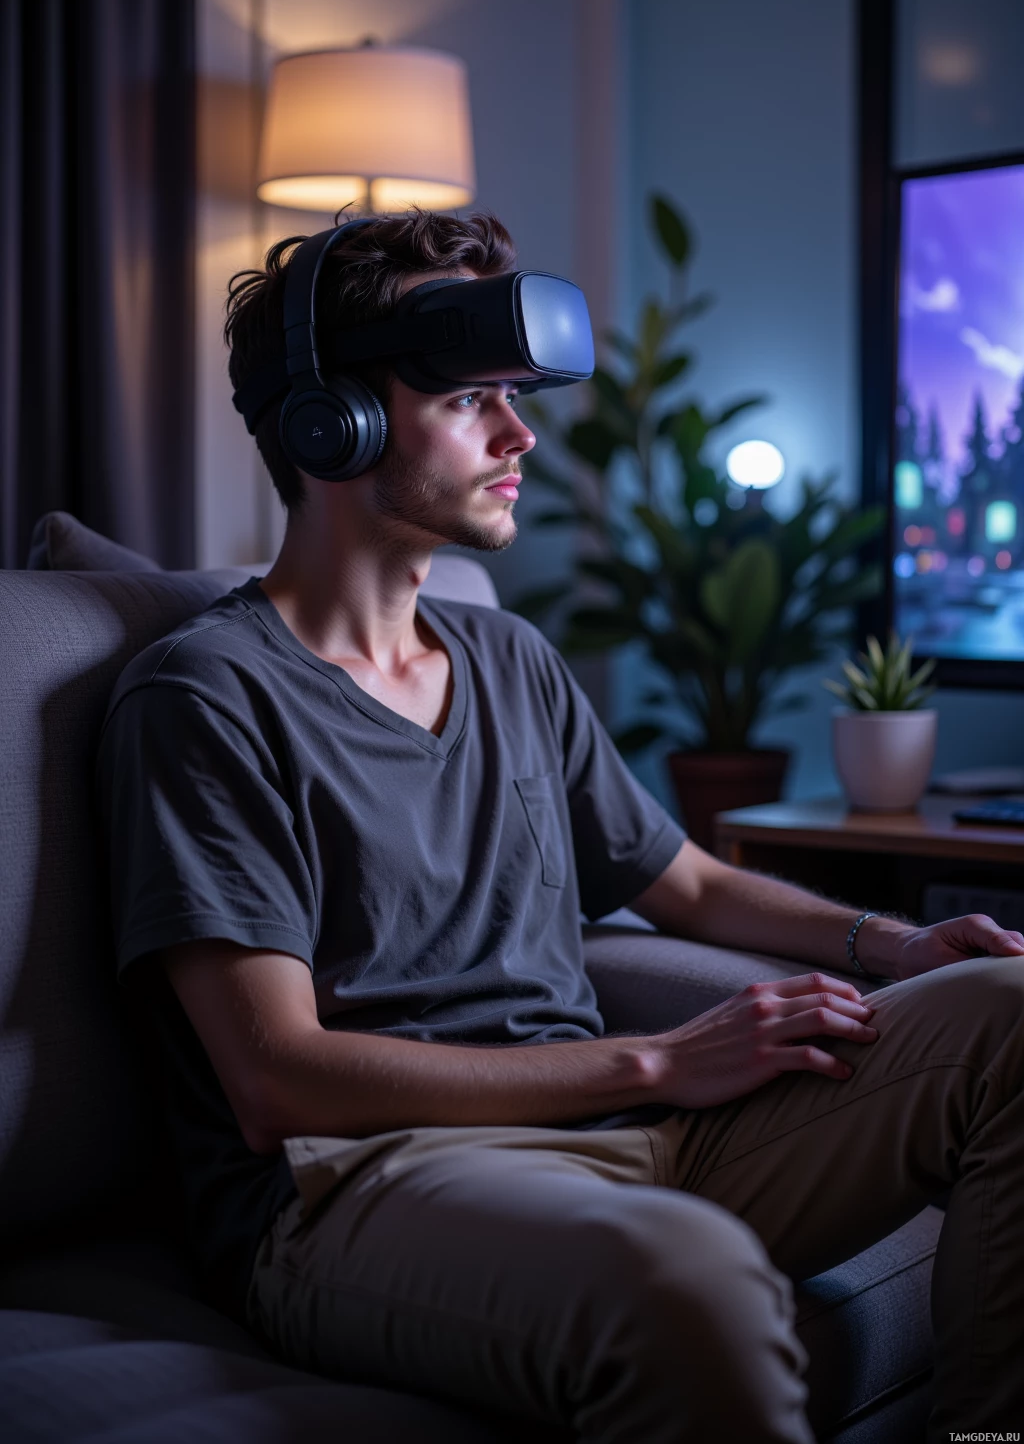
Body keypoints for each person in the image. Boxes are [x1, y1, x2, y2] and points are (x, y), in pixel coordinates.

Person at [97, 210, 1024, 1444]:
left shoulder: (506, 653)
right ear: (334, 423)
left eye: (514, 397)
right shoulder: (204, 695)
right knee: (692, 1290)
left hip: (623, 1142)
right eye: (472, 399)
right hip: (363, 1187)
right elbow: (274, 1081)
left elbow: (681, 882)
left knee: (1010, 1012)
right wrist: (658, 1060)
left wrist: (892, 946)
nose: (520, 435)